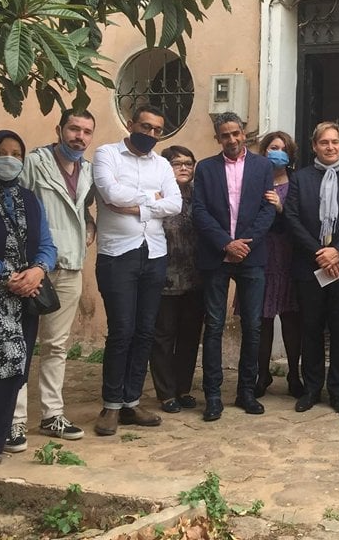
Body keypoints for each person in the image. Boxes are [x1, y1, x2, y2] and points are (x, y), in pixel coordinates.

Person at [6, 110, 95, 454]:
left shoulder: (85, 170)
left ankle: (52, 414)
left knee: (56, 346)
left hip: (71, 266)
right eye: (74, 128)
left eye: (87, 131)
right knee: (21, 344)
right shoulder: (34, 163)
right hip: (32, 270)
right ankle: (13, 420)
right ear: (59, 130)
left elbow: (81, 208)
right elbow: (16, 206)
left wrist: (90, 225)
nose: (80, 137)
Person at [92, 105, 181, 436]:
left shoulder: (161, 164)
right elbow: (110, 193)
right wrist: (152, 199)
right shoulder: (107, 155)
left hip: (154, 254)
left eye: (158, 130)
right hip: (117, 255)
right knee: (122, 331)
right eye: (146, 127)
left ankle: (131, 402)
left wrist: (136, 207)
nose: (151, 134)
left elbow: (176, 203)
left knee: (145, 331)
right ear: (131, 125)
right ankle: (111, 405)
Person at [284, 121, 339, 416]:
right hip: (309, 265)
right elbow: (292, 218)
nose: (330, 147)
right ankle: (311, 389)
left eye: (335, 142)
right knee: (310, 328)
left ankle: (338, 391)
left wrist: (338, 251)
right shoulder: (301, 178)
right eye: (324, 143)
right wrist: (319, 253)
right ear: (314, 146)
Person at [192, 112, 275, 421]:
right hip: (217, 256)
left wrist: (244, 243)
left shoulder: (263, 166)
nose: (232, 139)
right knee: (213, 326)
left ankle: (246, 391)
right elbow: (198, 210)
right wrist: (226, 243)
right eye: (225, 135)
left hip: (251, 257)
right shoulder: (206, 168)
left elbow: (268, 209)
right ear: (218, 138)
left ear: (244, 134)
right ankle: (213, 395)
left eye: (236, 133)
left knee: (252, 326)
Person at [0, 130, 57, 465]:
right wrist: (9, 275)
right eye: (1, 152)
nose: (9, 159)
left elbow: (47, 243)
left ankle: (3, 431)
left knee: (16, 367)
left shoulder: (29, 198)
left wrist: (38, 270)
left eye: (16, 153)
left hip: (26, 297)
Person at [148, 146, 203, 414]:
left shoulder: (200, 196)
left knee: (190, 335)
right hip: (164, 277)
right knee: (163, 336)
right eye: (177, 163)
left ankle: (183, 388)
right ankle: (166, 392)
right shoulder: (158, 195)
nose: (184, 168)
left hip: (196, 277)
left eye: (188, 163)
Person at [254, 131, 304, 399]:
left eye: (283, 148)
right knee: (262, 320)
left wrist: (281, 208)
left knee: (292, 320)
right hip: (261, 257)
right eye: (273, 147)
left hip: (289, 258)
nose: (277, 152)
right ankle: (262, 374)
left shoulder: (297, 183)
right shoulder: (256, 180)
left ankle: (294, 375)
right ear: (264, 151)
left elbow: (302, 221)